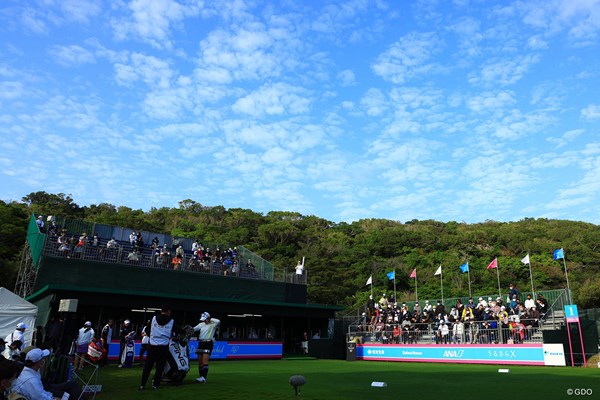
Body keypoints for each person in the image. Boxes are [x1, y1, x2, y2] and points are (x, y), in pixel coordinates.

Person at [12, 348, 82, 400]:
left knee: (71, 386)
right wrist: (54, 398)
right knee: (67, 396)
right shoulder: (31, 380)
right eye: (43, 358)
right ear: (40, 362)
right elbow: (40, 397)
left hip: (45, 390)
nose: (44, 360)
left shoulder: (32, 370)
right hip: (44, 393)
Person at [139, 305, 177, 391]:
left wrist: (153, 337)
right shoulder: (171, 321)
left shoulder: (153, 318)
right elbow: (176, 331)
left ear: (161, 311)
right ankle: (155, 385)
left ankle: (142, 385)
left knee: (148, 366)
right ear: (168, 311)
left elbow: (147, 330)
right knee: (160, 367)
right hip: (163, 347)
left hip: (152, 346)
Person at [192, 312, 220, 384]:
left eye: (205, 319)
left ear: (208, 318)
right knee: (200, 362)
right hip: (201, 343)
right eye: (203, 319)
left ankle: (203, 378)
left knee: (204, 361)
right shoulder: (201, 324)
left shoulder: (213, 324)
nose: (204, 321)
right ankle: (201, 377)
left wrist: (211, 319)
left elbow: (218, 321)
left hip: (208, 343)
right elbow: (194, 329)